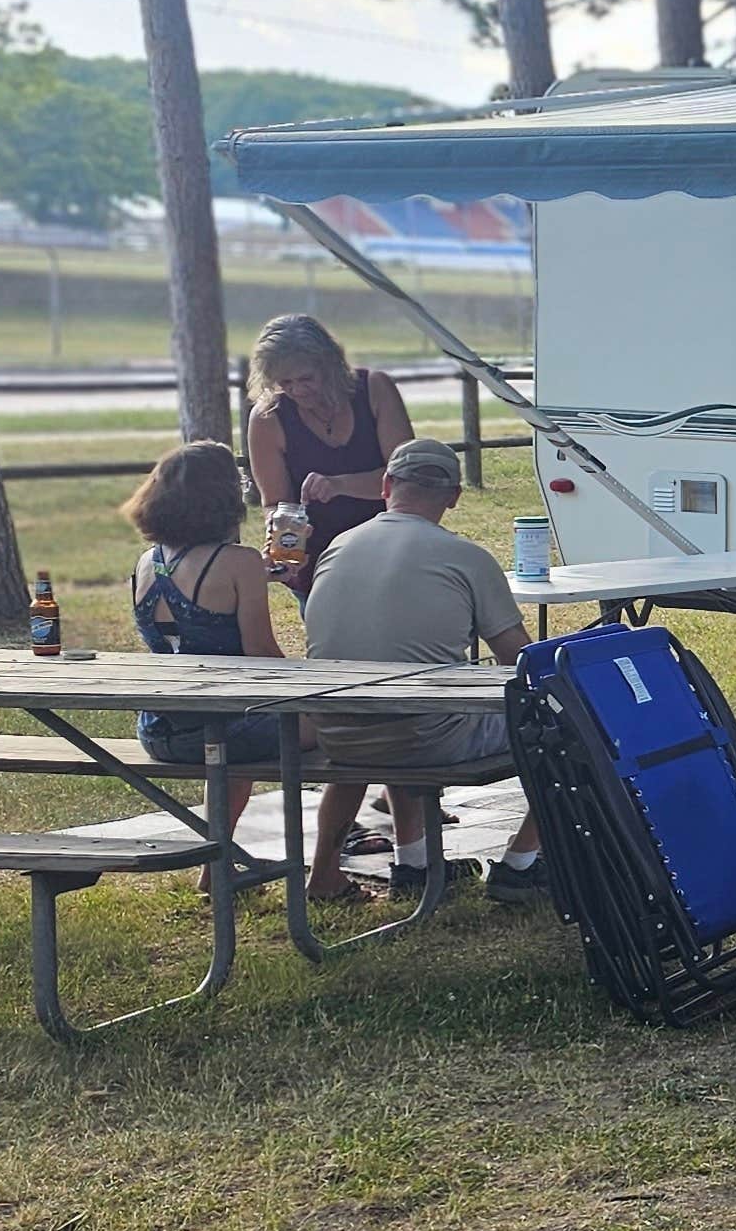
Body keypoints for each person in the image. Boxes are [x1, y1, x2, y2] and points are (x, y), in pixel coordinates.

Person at [300, 438, 547, 905]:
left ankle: (406, 863)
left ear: (386, 485)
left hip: (338, 731)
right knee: (570, 726)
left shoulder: (338, 546)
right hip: (426, 735)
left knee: (392, 696)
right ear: (454, 496)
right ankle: (522, 864)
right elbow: (521, 659)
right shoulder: (466, 556)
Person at [120, 441, 282, 867]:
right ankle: (359, 850)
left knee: (232, 744)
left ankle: (218, 862)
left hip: (158, 729)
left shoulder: (146, 562)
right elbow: (262, 653)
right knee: (345, 726)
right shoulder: (240, 563)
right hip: (222, 727)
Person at [244, 314, 414, 582]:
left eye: (306, 378)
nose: (297, 390)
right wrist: (280, 532)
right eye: (285, 383)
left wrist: (339, 485)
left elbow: (407, 481)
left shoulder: (375, 390)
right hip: (316, 562)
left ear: (330, 364)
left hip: (387, 550)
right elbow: (276, 503)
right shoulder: (268, 417)